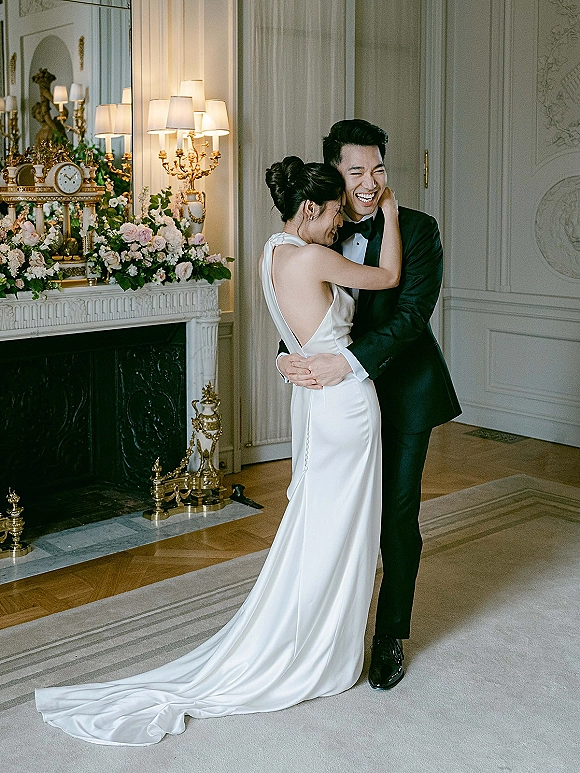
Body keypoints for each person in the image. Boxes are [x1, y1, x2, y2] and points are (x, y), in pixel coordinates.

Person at [34, 157, 402, 746]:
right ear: (309, 208)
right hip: (342, 403)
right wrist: (390, 212)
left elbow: (297, 327)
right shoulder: (312, 258)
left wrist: (292, 356)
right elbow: (387, 277)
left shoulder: (271, 253)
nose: (338, 222)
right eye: (334, 211)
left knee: (321, 524)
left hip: (317, 402)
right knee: (342, 527)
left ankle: (310, 634)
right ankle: (320, 650)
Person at [278, 119, 461, 690]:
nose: (370, 182)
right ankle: (326, 634)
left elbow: (411, 316)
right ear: (335, 173)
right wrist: (286, 355)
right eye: (356, 170)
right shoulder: (319, 226)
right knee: (331, 515)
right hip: (337, 403)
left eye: (378, 168)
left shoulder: (420, 229)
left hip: (403, 391)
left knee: (396, 516)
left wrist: (349, 363)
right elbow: (298, 298)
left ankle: (389, 637)